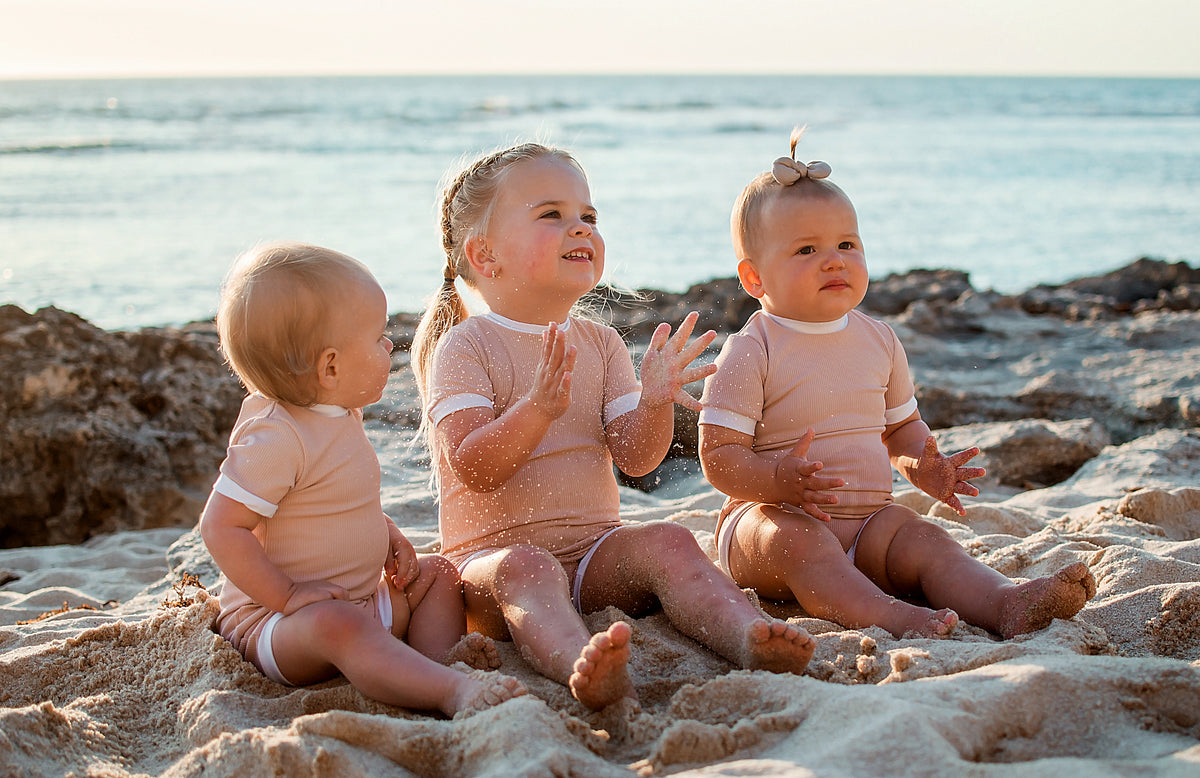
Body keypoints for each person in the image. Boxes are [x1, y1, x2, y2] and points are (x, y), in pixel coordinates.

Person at [410, 142, 816, 711]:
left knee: (671, 540)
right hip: (493, 573)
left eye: (589, 215)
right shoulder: (467, 346)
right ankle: (581, 664)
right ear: (485, 255)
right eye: (552, 214)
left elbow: (636, 458)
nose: (580, 227)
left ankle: (747, 636)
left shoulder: (601, 344)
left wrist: (654, 404)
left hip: (594, 558)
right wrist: (536, 410)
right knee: (528, 566)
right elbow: (475, 468)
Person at [698, 128, 1097, 641]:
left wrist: (923, 465)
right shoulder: (753, 348)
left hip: (869, 522)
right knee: (803, 546)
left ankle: (1004, 602)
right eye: (806, 249)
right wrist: (777, 480)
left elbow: (900, 430)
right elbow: (719, 456)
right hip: (767, 520)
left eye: (847, 244)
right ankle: (890, 617)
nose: (834, 259)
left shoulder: (879, 341)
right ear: (754, 279)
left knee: (926, 540)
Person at [199, 241, 525, 717]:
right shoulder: (275, 435)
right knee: (338, 625)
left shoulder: (340, 411)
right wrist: (287, 596)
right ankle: (448, 691)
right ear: (330, 367)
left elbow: (337, 501)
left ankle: (434, 663)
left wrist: (386, 533)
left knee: (437, 574)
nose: (389, 345)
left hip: (361, 599)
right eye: (378, 337)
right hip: (282, 625)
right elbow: (220, 526)